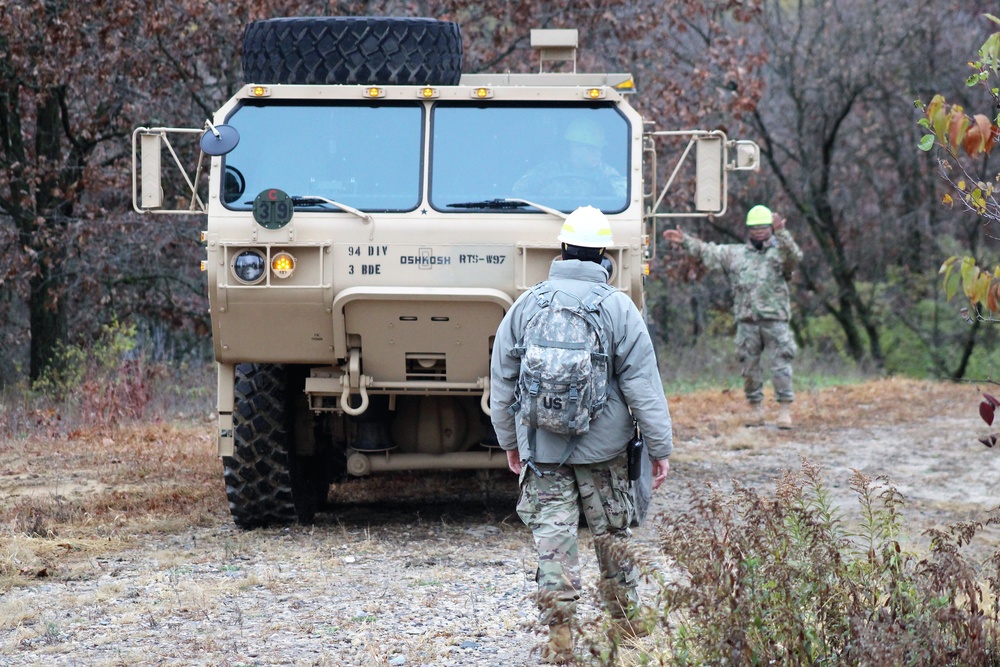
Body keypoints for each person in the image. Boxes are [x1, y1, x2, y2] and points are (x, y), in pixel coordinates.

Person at [490, 205, 673, 663]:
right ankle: (627, 629)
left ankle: (561, 640)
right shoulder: (618, 307)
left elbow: (502, 379)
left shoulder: (527, 303)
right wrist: (660, 447)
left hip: (544, 451)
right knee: (612, 538)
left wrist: (510, 442)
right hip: (605, 452)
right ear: (604, 256)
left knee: (553, 544)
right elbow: (643, 387)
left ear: (562, 250)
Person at [662, 204, 803, 428]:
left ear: (771, 229)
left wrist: (782, 232)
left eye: (763, 228)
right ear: (749, 230)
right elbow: (709, 252)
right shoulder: (736, 254)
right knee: (749, 369)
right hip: (747, 322)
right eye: (754, 228)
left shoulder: (780, 254)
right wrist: (685, 241)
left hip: (775, 321)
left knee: (781, 366)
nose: (759, 232)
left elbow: (794, 256)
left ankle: (784, 411)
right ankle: (756, 410)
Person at [512, 118, 627, 201]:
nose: (599, 154)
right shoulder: (548, 170)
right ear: (575, 148)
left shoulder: (605, 173)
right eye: (592, 149)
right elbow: (518, 192)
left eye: (600, 149)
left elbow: (622, 195)